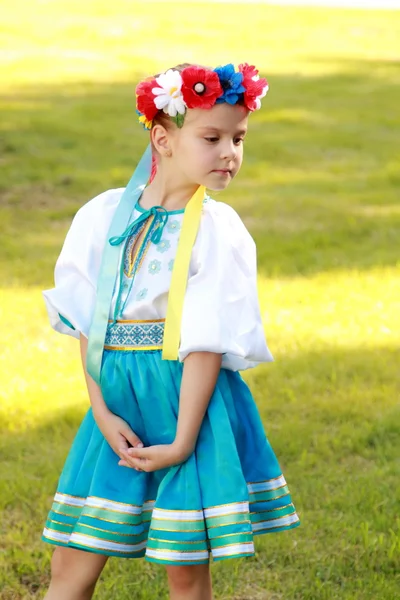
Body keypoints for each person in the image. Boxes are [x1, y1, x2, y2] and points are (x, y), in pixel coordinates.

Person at [41, 62, 300, 600]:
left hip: (187, 400)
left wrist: (183, 441)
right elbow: (90, 322)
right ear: (162, 138)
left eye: (238, 138)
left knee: (184, 565)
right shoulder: (103, 216)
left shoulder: (215, 229)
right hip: (118, 403)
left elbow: (205, 342)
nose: (229, 151)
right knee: (72, 560)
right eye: (212, 137)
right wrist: (102, 410)